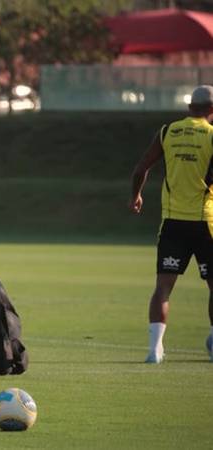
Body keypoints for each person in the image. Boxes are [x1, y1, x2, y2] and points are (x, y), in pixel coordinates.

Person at [129, 85, 213, 364]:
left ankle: (155, 349)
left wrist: (136, 196)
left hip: (173, 223)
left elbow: (141, 168)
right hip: (206, 223)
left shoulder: (169, 132)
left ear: (190, 107)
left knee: (163, 287)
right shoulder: (212, 135)